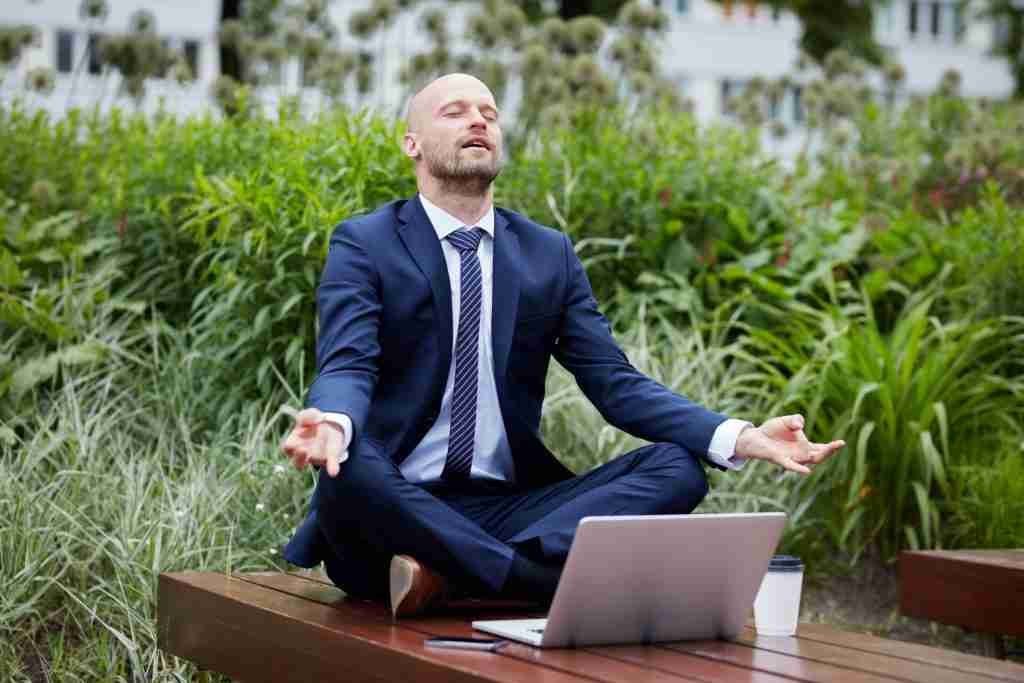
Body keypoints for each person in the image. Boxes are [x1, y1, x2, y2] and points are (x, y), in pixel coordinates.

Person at [280, 73, 845, 618]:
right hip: (392, 509)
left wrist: (743, 437)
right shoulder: (366, 242)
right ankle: (525, 582)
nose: (478, 120)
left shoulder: (547, 254)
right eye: (455, 112)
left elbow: (613, 383)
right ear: (412, 144)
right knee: (349, 465)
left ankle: (450, 575)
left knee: (679, 467)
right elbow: (349, 362)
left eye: (489, 113)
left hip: (505, 509)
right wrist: (333, 422)